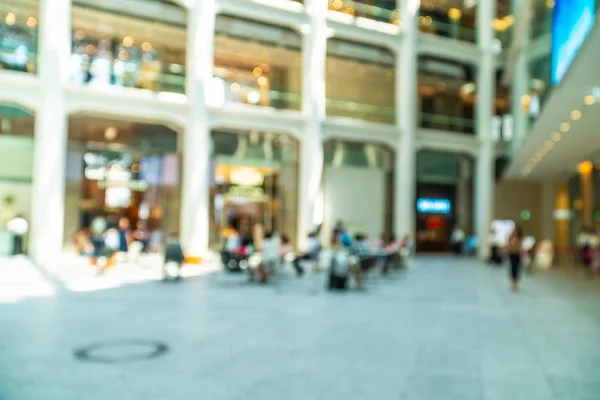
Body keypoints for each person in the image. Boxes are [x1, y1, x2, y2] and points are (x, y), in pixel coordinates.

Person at [507, 224, 524, 292]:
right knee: (512, 267)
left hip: (518, 254)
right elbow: (508, 245)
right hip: (511, 254)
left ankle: (515, 282)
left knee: (517, 268)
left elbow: (521, 246)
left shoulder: (520, 238)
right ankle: (512, 282)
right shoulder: (510, 237)